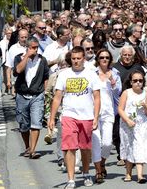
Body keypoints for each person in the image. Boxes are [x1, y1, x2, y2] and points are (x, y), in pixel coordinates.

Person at [48, 46, 101, 188]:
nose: (76, 61)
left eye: (78, 59)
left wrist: (96, 117)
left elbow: (96, 97)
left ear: (84, 59)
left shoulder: (91, 74)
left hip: (87, 116)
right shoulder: (64, 75)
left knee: (85, 148)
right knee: (70, 147)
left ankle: (85, 172)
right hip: (69, 115)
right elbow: (57, 97)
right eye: (73, 59)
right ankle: (70, 179)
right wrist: (51, 118)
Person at [13, 37, 49, 159]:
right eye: (32, 47)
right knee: (23, 125)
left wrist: (45, 94)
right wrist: (27, 57)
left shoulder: (42, 60)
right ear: (27, 48)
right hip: (22, 95)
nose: (35, 50)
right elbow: (17, 70)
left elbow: (46, 77)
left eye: (36, 47)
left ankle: (33, 150)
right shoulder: (19, 58)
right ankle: (27, 147)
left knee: (36, 123)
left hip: (37, 95)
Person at [118, 70, 147, 184]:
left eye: (140, 80)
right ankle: (128, 173)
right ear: (131, 82)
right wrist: (127, 120)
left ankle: (140, 175)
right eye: (135, 81)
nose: (138, 83)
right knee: (129, 147)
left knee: (140, 147)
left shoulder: (145, 93)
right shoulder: (126, 93)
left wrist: (145, 106)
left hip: (141, 124)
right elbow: (120, 109)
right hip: (127, 124)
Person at [92, 49, 122, 184]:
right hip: (94, 113)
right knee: (96, 142)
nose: (104, 59)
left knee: (107, 143)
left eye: (107, 57)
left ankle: (102, 162)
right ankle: (98, 171)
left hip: (109, 111)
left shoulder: (115, 73)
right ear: (98, 59)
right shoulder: (92, 74)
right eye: (102, 57)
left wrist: (113, 82)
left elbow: (118, 92)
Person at [5, 28, 29, 97]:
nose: (24, 39)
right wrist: (8, 81)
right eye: (22, 37)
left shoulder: (31, 47)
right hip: (17, 81)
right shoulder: (13, 49)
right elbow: (9, 66)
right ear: (18, 38)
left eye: (25, 37)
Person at [0, 27, 12, 93]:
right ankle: (6, 88)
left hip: (12, 61)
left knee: (12, 75)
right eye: (8, 33)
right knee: (5, 76)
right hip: (5, 61)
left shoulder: (14, 41)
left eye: (10, 33)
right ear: (5, 34)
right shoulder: (2, 42)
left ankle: (12, 89)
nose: (9, 34)